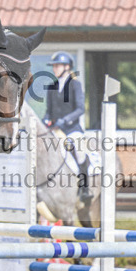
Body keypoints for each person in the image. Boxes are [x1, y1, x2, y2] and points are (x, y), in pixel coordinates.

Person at [42, 51, 92, 201]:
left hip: (72, 129)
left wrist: (65, 120)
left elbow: (80, 109)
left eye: (57, 66)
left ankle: (85, 188)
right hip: (56, 130)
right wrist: (45, 120)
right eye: (54, 66)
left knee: (79, 151)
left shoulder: (75, 85)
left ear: (67, 67)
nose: (54, 69)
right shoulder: (52, 87)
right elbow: (48, 111)